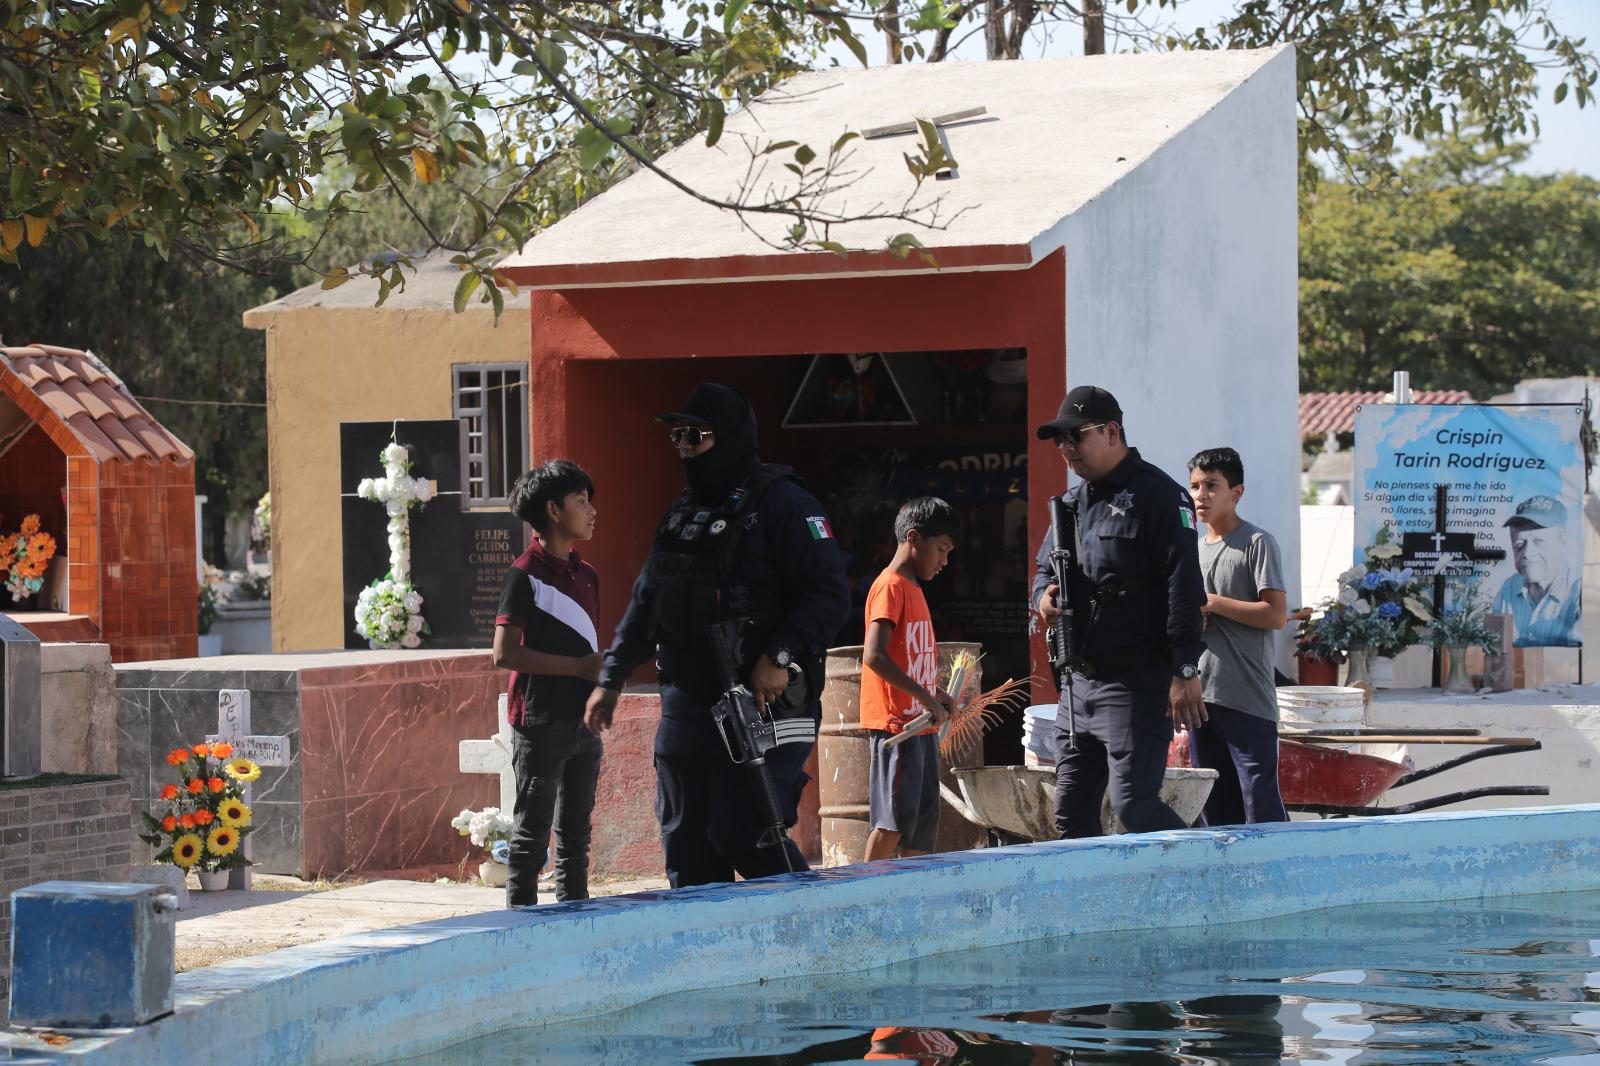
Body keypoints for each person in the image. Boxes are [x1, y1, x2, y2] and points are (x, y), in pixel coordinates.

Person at [583, 383, 850, 887]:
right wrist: (612, 678)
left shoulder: (785, 504)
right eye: (678, 436)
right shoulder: (681, 514)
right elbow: (646, 602)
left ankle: (817, 932)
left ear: (727, 438)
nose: (684, 446)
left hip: (765, 700)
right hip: (688, 702)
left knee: (747, 832)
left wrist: (779, 653)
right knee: (686, 844)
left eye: (696, 436)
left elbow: (830, 594)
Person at [1032, 385, 1207, 838]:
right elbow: (1040, 570)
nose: (1067, 448)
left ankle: (1204, 876)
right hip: (1077, 683)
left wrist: (1185, 668)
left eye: (1076, 436)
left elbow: (1184, 588)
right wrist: (1043, 599)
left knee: (1134, 807)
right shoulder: (1069, 506)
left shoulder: (1160, 497)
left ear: (1111, 432)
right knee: (1070, 815)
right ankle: (1089, 908)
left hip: (1134, 684)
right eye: (1059, 441)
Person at [492, 459, 603, 907]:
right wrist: (578, 668)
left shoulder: (588, 575)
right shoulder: (524, 575)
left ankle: (575, 926)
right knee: (530, 842)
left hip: (584, 724)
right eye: (581, 501)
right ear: (553, 511)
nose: (592, 510)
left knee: (576, 840)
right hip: (540, 725)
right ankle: (522, 934)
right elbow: (504, 653)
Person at [1185, 447, 1289, 826]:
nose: (1201, 495)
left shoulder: (1257, 542)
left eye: (1212, 485)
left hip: (1247, 698)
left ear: (1237, 492)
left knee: (1259, 806)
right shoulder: (1190, 548)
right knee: (1214, 810)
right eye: (1195, 486)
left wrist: (1212, 603)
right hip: (1200, 698)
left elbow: (1276, 614)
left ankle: (1279, 881)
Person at [861, 497, 960, 862]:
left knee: (920, 826)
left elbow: (909, 661)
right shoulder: (890, 586)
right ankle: (862, 897)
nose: (944, 561)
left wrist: (937, 694)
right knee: (892, 823)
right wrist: (926, 698)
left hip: (922, 727)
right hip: (897, 728)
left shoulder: (915, 588)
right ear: (914, 538)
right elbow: (875, 656)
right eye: (941, 550)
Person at [1493, 495, 1582, 647]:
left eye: (1539, 542)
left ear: (1563, 543)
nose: (1527, 553)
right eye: (1519, 544)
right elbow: (1493, 646)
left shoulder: (1579, 590)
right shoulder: (1509, 588)